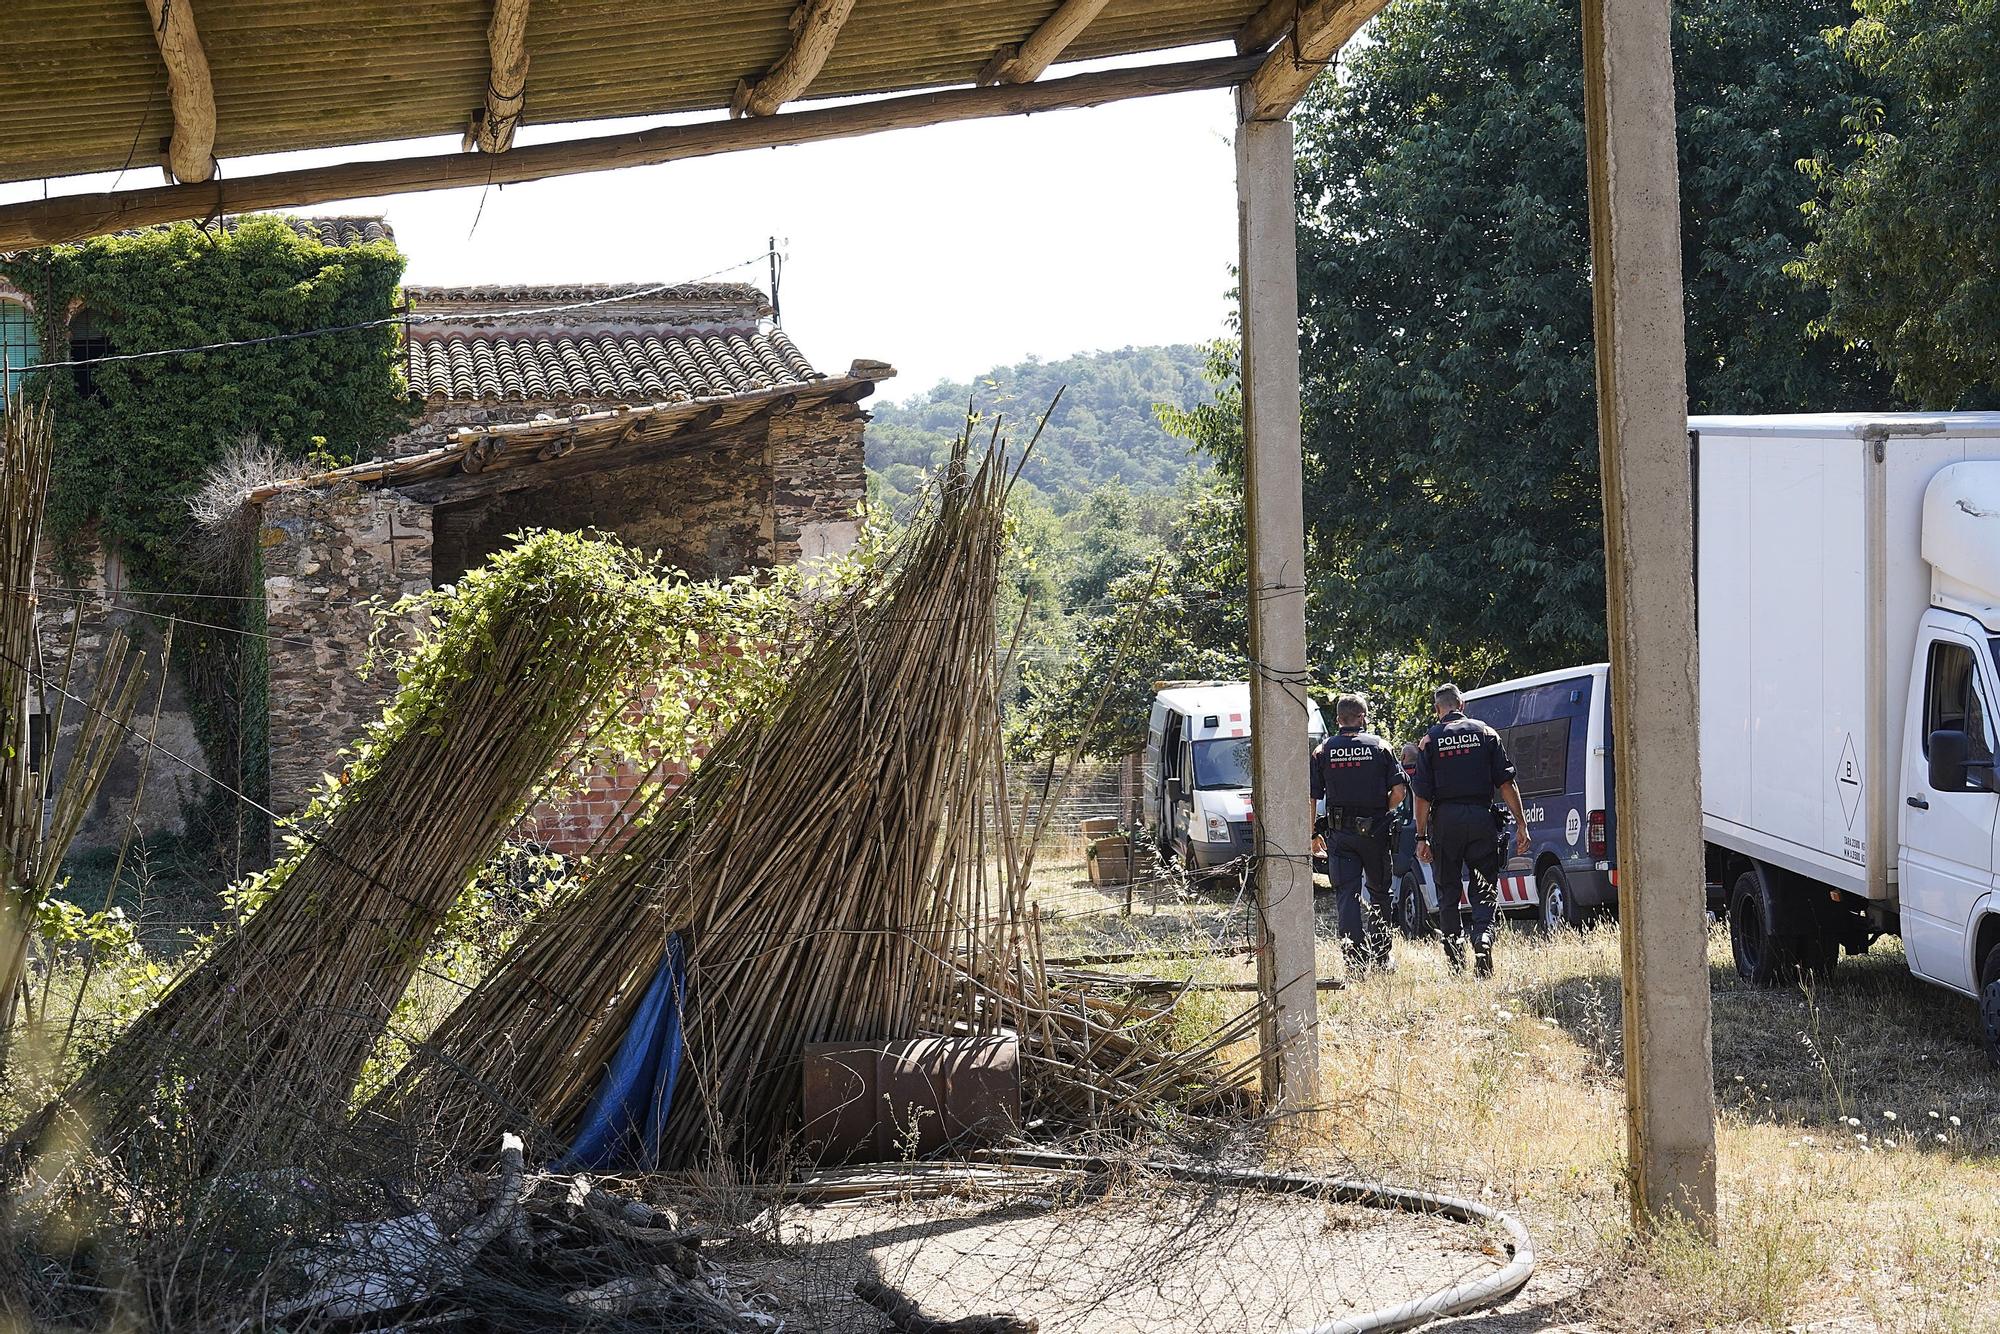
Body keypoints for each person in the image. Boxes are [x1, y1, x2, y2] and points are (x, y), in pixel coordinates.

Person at [1412, 683, 1529, 976]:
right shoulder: (1487, 733)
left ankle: (1454, 958)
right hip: (1481, 817)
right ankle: (1483, 937)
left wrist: (1421, 837)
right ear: (1461, 705)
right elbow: (1506, 783)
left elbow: (1422, 795)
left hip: (1446, 822)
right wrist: (1521, 824)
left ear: (1439, 709)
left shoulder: (1429, 741)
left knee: (1448, 889)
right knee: (1484, 885)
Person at [1310, 693, 1406, 973]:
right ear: (1363, 717)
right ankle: (1381, 957)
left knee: (1346, 896)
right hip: (1375, 833)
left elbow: (1312, 796)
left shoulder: (1323, 750)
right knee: (1379, 893)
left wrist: (1313, 832)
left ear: (1338, 719)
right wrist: (1381, 812)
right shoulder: (1380, 746)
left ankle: (1354, 960)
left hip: (1340, 836)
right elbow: (1399, 792)